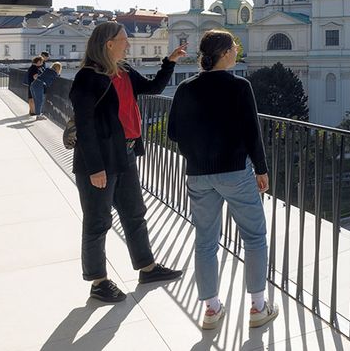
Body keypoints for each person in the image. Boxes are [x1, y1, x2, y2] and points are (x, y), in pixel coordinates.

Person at [167, 30, 278, 330]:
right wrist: (261, 168)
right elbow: (252, 132)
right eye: (234, 47)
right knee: (253, 236)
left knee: (205, 241)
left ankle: (211, 309)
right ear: (225, 53)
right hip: (234, 171)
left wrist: (198, 151)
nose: (237, 50)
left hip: (198, 174)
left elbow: (173, 133)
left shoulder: (185, 88)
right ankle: (257, 306)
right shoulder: (240, 86)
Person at [70, 22, 186, 303]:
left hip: (127, 154)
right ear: (108, 44)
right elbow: (85, 127)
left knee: (135, 213)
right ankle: (98, 281)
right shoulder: (87, 78)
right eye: (124, 40)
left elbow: (153, 87)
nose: (128, 44)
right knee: (98, 221)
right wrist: (96, 168)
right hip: (99, 161)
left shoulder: (124, 70)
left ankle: (147, 268)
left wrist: (168, 63)